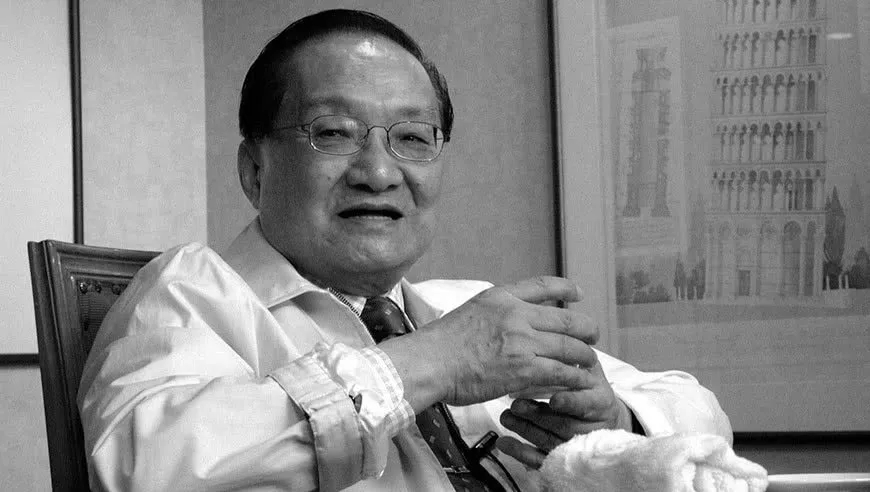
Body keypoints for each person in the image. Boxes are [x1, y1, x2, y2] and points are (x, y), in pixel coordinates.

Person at [78, 9, 731, 491]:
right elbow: (146, 468)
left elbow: (698, 411)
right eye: (334, 132)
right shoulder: (194, 294)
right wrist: (429, 364)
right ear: (255, 171)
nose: (379, 172)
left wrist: (613, 424)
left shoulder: (465, 309)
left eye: (413, 138)